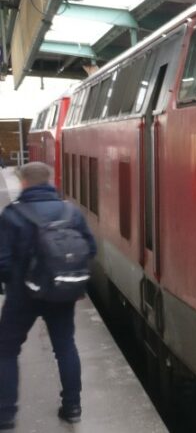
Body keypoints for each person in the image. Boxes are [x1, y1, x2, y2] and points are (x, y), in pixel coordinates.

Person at [0, 162, 96, 428]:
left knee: (6, 350)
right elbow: (90, 248)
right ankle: (72, 407)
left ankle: (6, 414)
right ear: (49, 180)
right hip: (61, 292)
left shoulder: (12, 214)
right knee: (65, 346)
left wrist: (16, 283)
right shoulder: (70, 211)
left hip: (22, 296)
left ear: (24, 182)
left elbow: (3, 262)